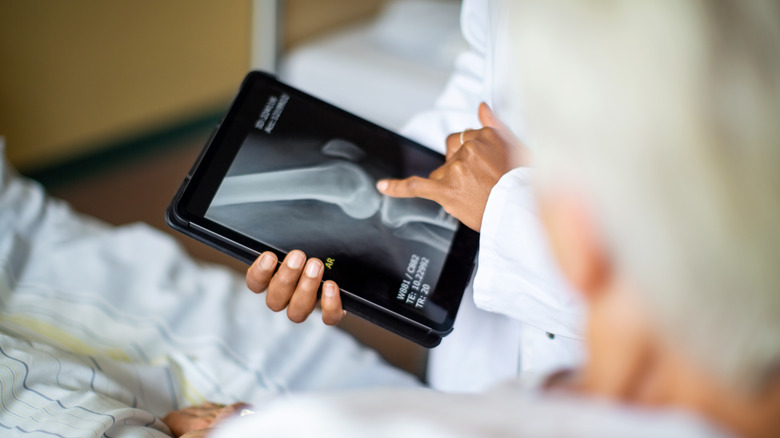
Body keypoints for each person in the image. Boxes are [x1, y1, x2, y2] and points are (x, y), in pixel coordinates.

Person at [174, 0, 780, 436]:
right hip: (493, 353)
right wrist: (390, 193)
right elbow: (483, 83)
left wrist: (509, 211)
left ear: (580, 235)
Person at [245, 0, 586, 392]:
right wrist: (408, 183)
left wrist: (503, 208)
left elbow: (663, 288)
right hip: (479, 370)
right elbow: (485, 73)